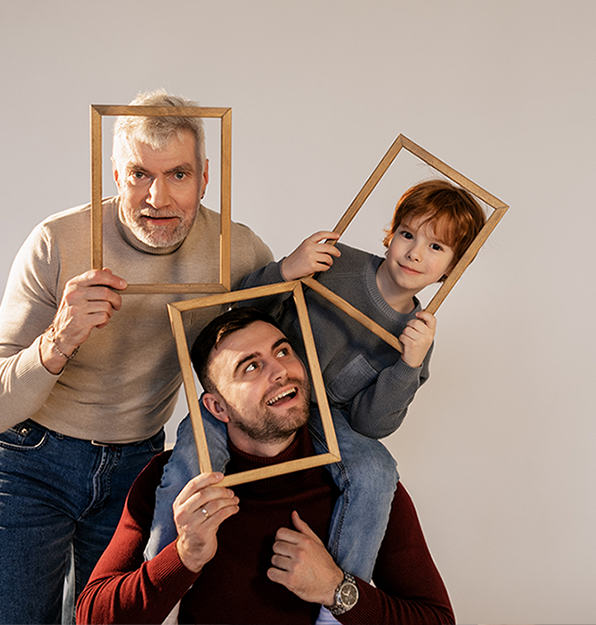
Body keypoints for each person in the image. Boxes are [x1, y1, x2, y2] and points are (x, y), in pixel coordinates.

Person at [0, 89, 274, 623]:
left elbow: (281, 356)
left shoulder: (237, 251)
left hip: (139, 462)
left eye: (178, 175)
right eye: (139, 174)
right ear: (114, 175)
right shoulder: (57, 240)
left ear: (205, 176)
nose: (158, 197)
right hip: (31, 460)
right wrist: (58, 338)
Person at [146, 179, 486, 584]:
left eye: (436, 247)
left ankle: (334, 595)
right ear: (391, 235)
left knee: (376, 470)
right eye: (408, 234)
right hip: (257, 392)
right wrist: (286, 270)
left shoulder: (418, 336)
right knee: (194, 449)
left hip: (327, 416)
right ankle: (162, 572)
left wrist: (407, 366)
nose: (415, 253)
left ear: (454, 267)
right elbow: (238, 311)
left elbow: (371, 424)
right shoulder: (337, 263)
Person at [77, 307, 454, 623]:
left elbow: (437, 619)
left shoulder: (360, 482)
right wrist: (183, 556)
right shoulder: (174, 480)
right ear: (217, 407)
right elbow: (91, 615)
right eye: (251, 367)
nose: (280, 371)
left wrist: (336, 588)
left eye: (283, 351)